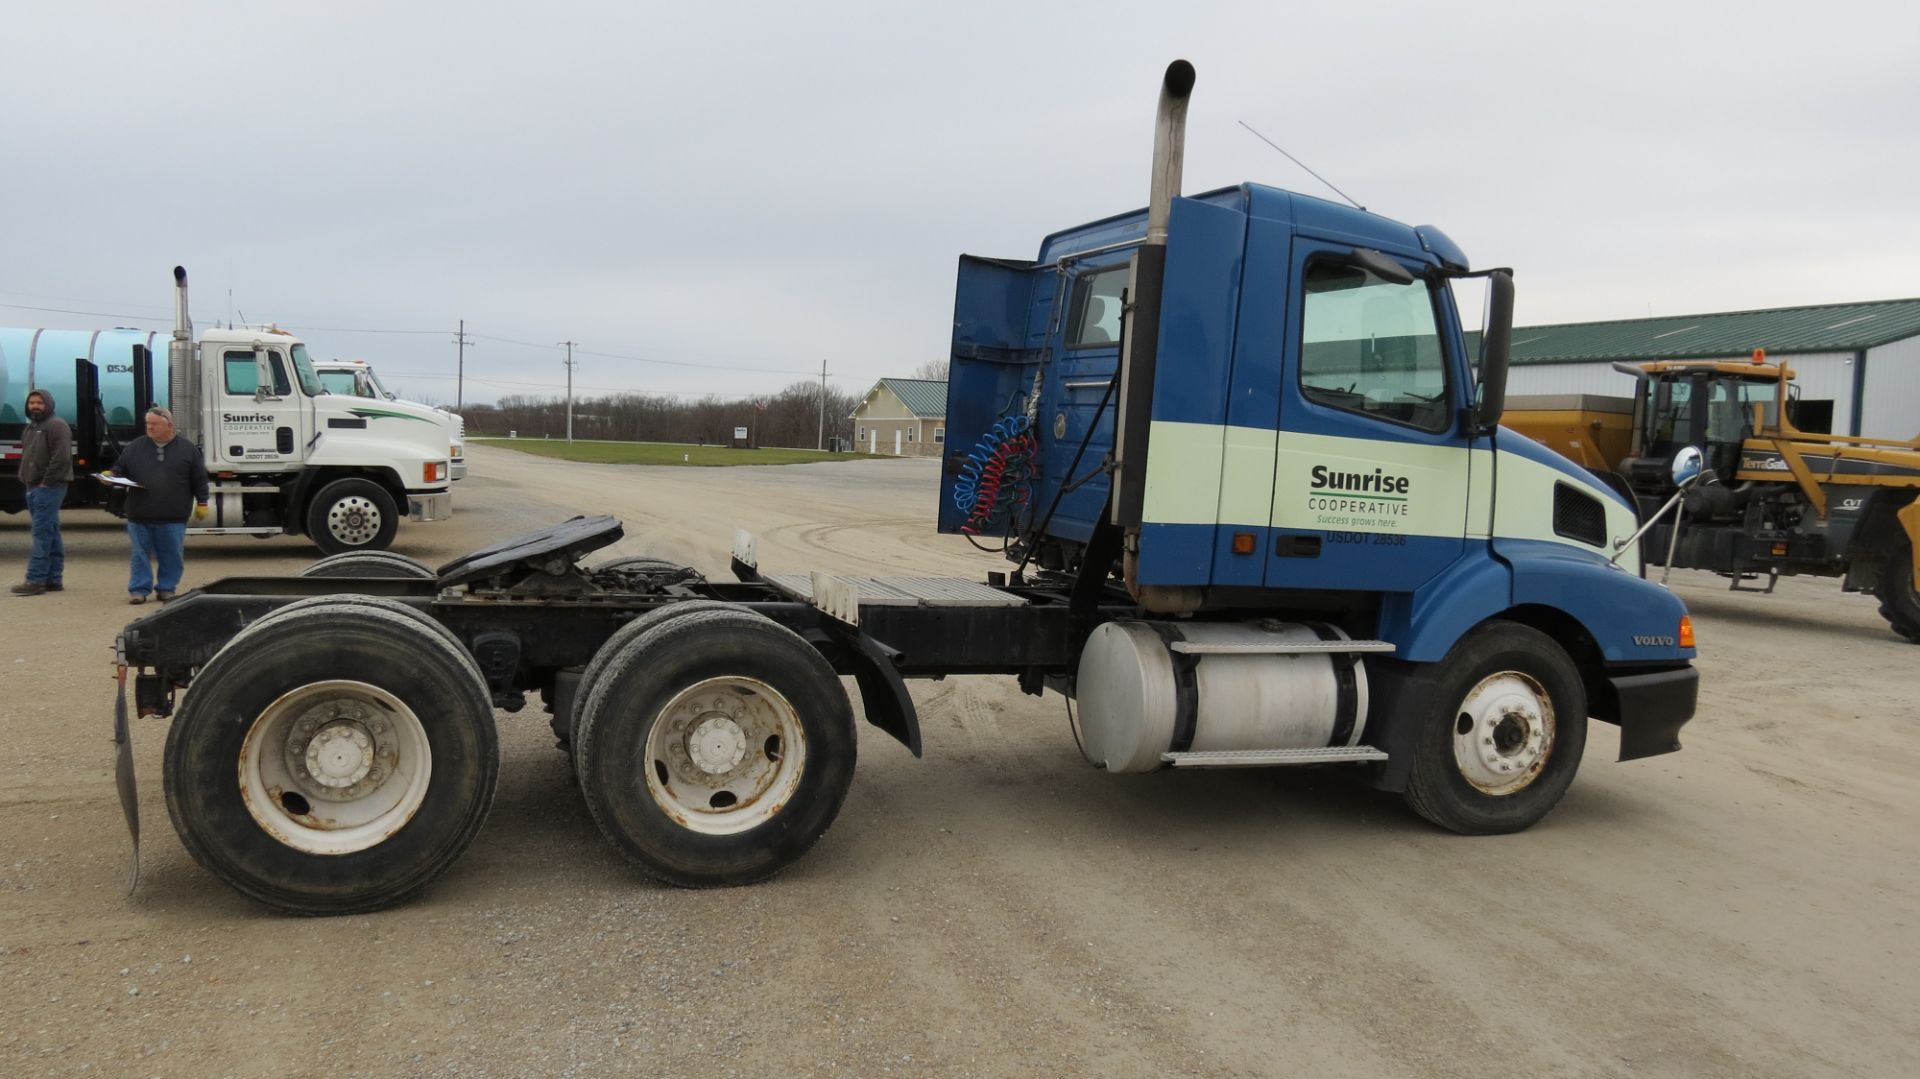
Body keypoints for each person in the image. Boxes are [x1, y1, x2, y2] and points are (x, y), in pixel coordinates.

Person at [112, 406, 209, 604]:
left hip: (173, 515)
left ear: (170, 425)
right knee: (139, 554)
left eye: (155, 424)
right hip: (139, 514)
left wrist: (202, 502)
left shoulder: (187, 449)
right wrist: (111, 476)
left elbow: (199, 479)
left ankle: (167, 588)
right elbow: (119, 469)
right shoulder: (135, 447)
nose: (150, 427)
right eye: (148, 423)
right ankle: (139, 590)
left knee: (172, 554)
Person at [11, 388, 72, 596]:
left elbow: (62, 457)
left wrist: (47, 482)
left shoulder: (57, 425)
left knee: (41, 533)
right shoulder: (31, 428)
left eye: (39, 403)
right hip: (32, 486)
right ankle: (53, 579)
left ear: (48, 404)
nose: (35, 406)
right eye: (32, 403)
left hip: (49, 487)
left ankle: (35, 580)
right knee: (51, 532)